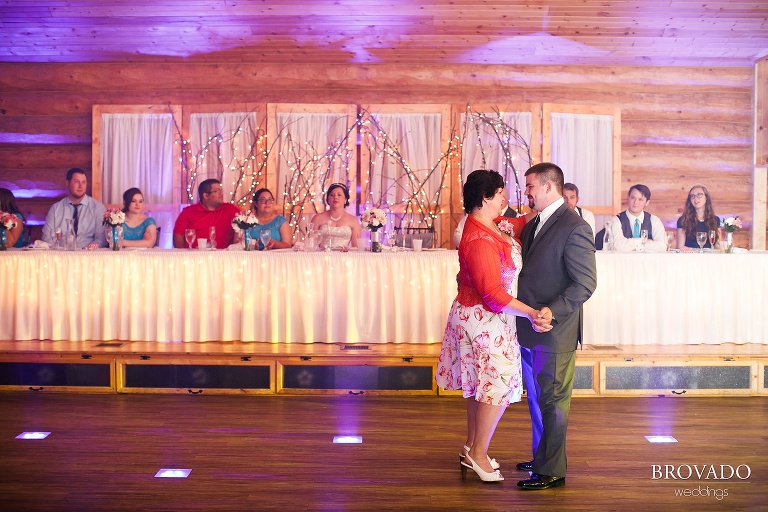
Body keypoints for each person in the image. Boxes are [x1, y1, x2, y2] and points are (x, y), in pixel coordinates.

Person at [436, 169, 552, 483]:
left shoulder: (491, 225)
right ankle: (477, 454)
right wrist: (530, 313)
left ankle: (473, 447)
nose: (506, 198)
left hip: (486, 318)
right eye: (501, 193)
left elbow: (521, 221)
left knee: (480, 386)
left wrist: (550, 204)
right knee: (496, 386)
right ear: (487, 197)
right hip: (484, 320)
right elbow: (492, 293)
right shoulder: (478, 238)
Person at [515, 162, 597, 490]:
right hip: (532, 326)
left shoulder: (574, 227)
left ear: (550, 187)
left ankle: (551, 470)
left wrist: (552, 310)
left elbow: (586, 284)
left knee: (552, 400)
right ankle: (542, 456)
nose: (527, 192)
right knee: (538, 398)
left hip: (554, 329)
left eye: (531, 186)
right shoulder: (536, 221)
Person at [42, 168, 107, 249]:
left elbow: (101, 238)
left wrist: (91, 249)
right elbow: (47, 237)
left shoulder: (97, 208)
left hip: (88, 255)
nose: (81, 186)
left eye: (83, 182)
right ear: (67, 183)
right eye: (76, 182)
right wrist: (59, 250)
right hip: (61, 255)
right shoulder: (56, 209)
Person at [173, 179, 240, 249]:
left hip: (223, 257)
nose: (221, 194)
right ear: (206, 196)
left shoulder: (232, 210)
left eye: (221, 190)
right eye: (217, 191)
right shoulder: (188, 212)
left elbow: (245, 226)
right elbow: (178, 235)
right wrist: (182, 254)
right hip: (193, 257)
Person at [608, 184, 667, 253]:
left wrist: (636, 246)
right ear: (628, 198)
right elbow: (618, 246)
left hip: (648, 262)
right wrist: (642, 240)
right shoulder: (616, 220)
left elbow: (662, 246)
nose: (635, 202)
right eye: (633, 198)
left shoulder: (654, 220)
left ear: (647, 203)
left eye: (640, 199)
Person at [309, 183, 361, 250]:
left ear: (345, 199)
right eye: (332, 195)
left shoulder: (353, 220)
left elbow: (356, 248)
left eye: (339, 195)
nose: (335, 197)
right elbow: (311, 244)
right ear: (328, 199)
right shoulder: (317, 218)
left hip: (345, 258)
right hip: (321, 257)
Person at [676, 185, 721, 250]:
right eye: (692, 196)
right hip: (690, 257)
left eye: (699, 195)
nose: (695, 198)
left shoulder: (715, 220)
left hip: (710, 258)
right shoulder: (683, 220)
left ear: (706, 198)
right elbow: (680, 247)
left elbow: (718, 246)